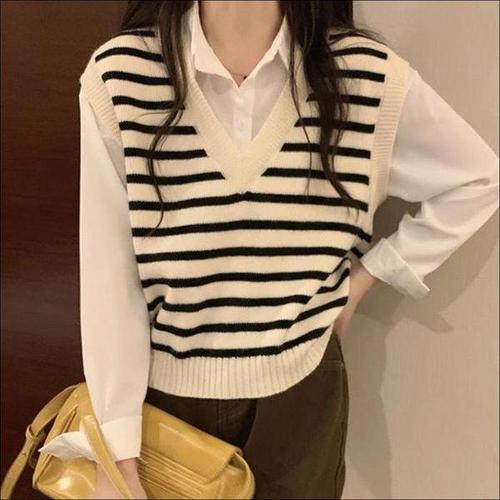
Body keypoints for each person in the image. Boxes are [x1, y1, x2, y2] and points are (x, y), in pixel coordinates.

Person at [38, 1, 499, 499]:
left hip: (303, 397)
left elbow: (477, 179)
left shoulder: (366, 76)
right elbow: (109, 281)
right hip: (162, 403)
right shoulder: (123, 76)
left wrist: (366, 279)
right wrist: (116, 455)